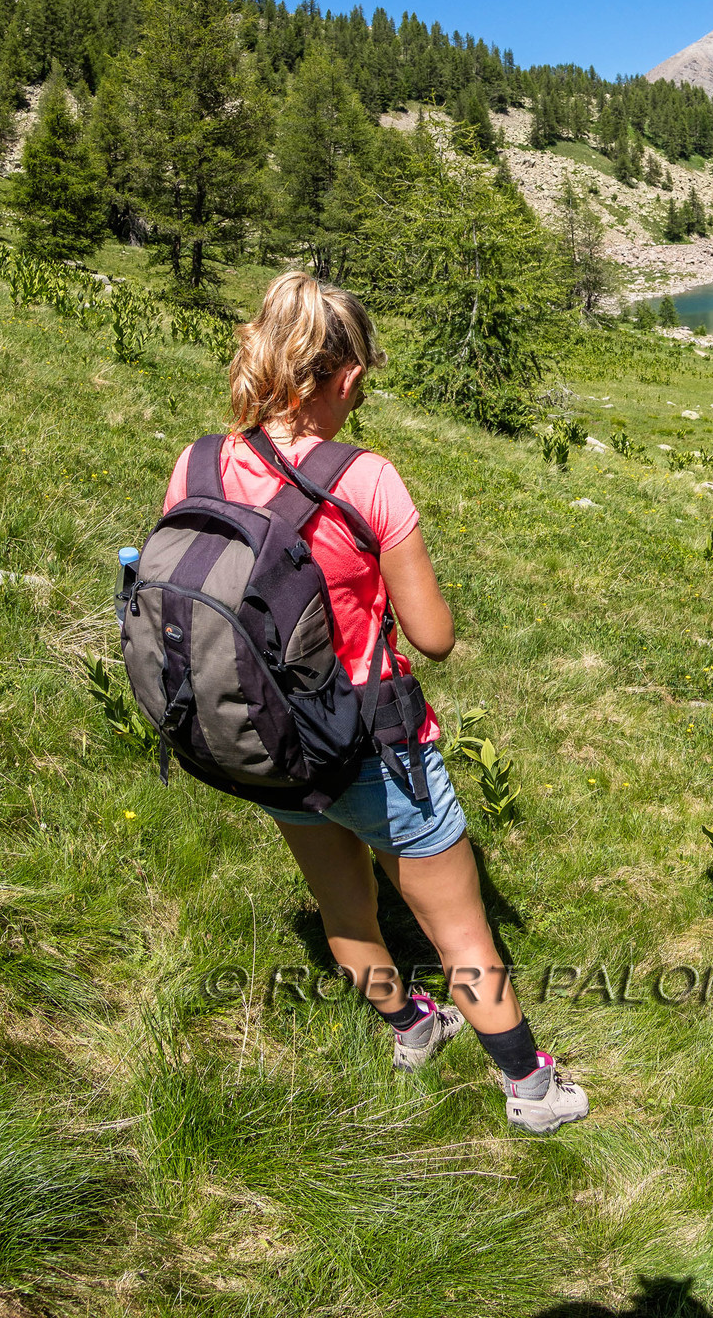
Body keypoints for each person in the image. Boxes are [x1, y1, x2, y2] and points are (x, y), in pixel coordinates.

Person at [162, 271, 588, 1133]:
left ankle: (410, 1027)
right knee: (462, 931)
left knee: (343, 906)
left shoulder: (199, 459)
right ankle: (531, 1090)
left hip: (264, 735)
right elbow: (433, 634)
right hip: (367, 737)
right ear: (346, 375)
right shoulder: (368, 479)